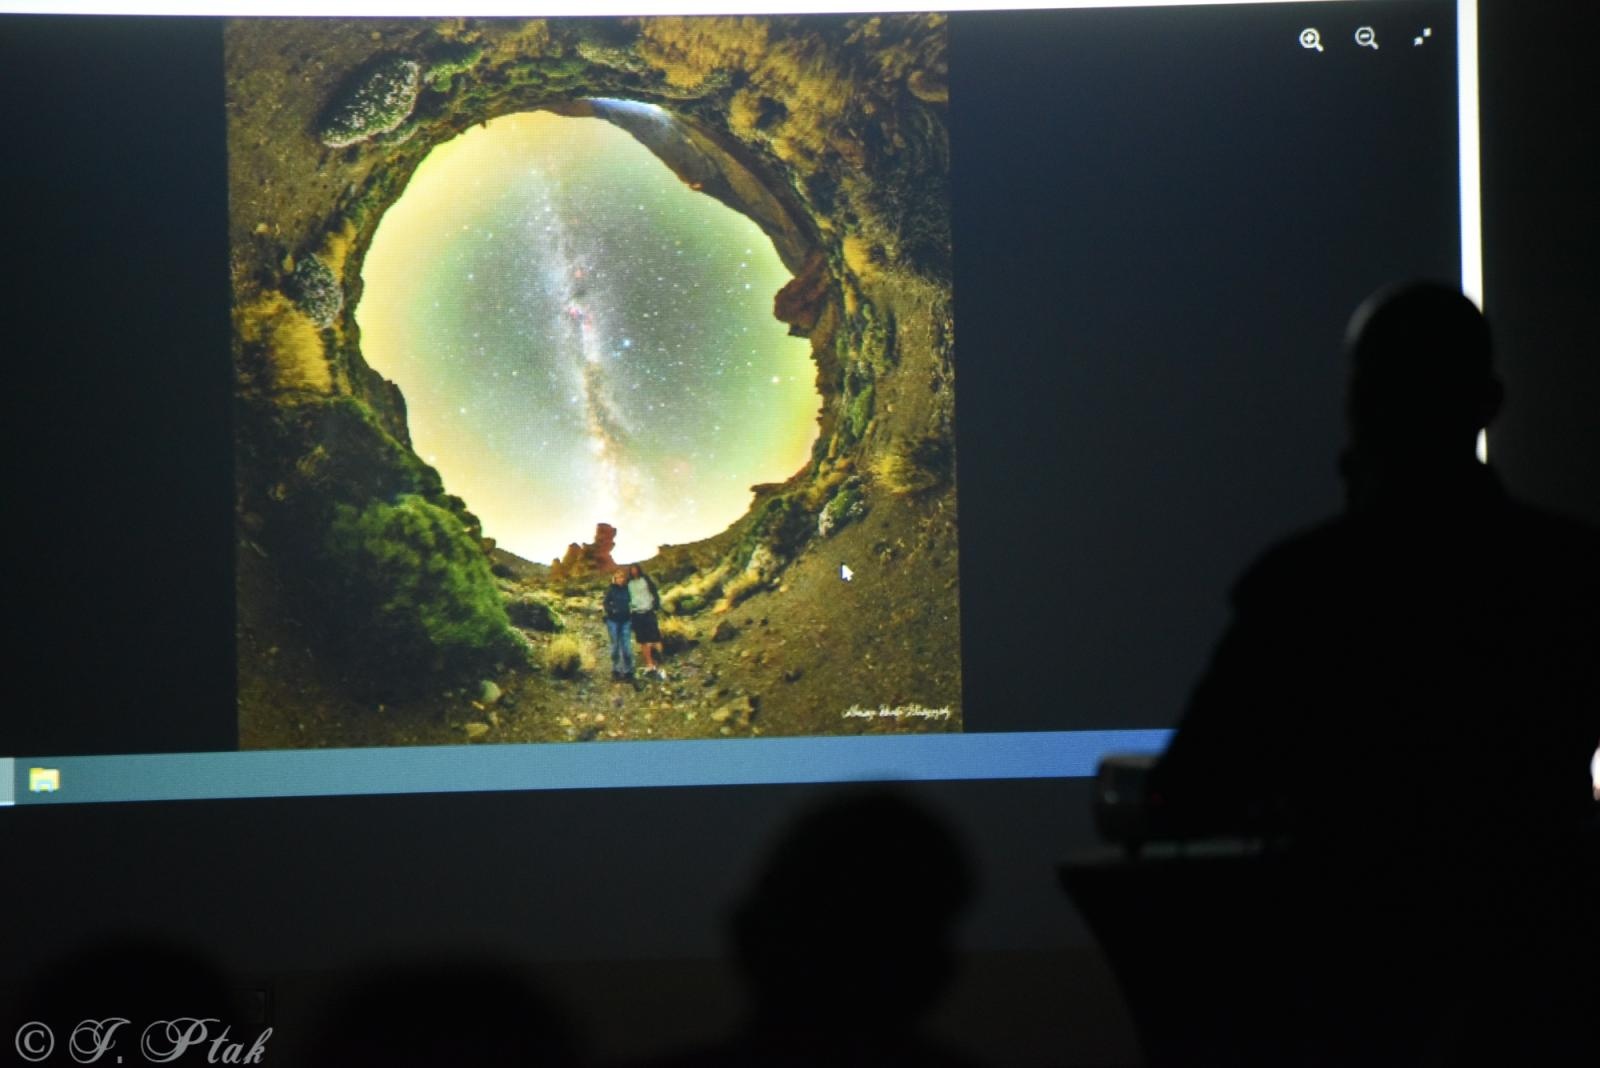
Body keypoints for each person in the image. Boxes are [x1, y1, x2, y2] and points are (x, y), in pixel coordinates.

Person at [1143, 282, 1600, 1062]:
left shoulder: (1301, 592)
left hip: (1348, 995)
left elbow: (1187, 795)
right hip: (1541, 993)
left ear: (1358, 405)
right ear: (1489, 403)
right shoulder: (1574, 577)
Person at [628, 563, 666, 679]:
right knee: (643, 640)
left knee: (655, 637)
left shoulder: (646, 579)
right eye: (631, 569)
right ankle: (649, 664)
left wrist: (656, 605)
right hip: (636, 613)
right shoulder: (628, 583)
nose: (634, 571)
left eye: (635, 569)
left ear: (638, 569)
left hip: (648, 611)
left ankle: (660, 660)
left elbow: (654, 592)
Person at [603, 568, 635, 682]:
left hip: (626, 621)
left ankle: (628, 671)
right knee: (615, 646)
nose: (620, 579)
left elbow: (632, 601)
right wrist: (612, 610)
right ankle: (615, 670)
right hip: (613, 621)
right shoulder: (611, 590)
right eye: (617, 577)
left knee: (626, 647)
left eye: (621, 577)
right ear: (614, 579)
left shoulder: (628, 589)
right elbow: (605, 603)